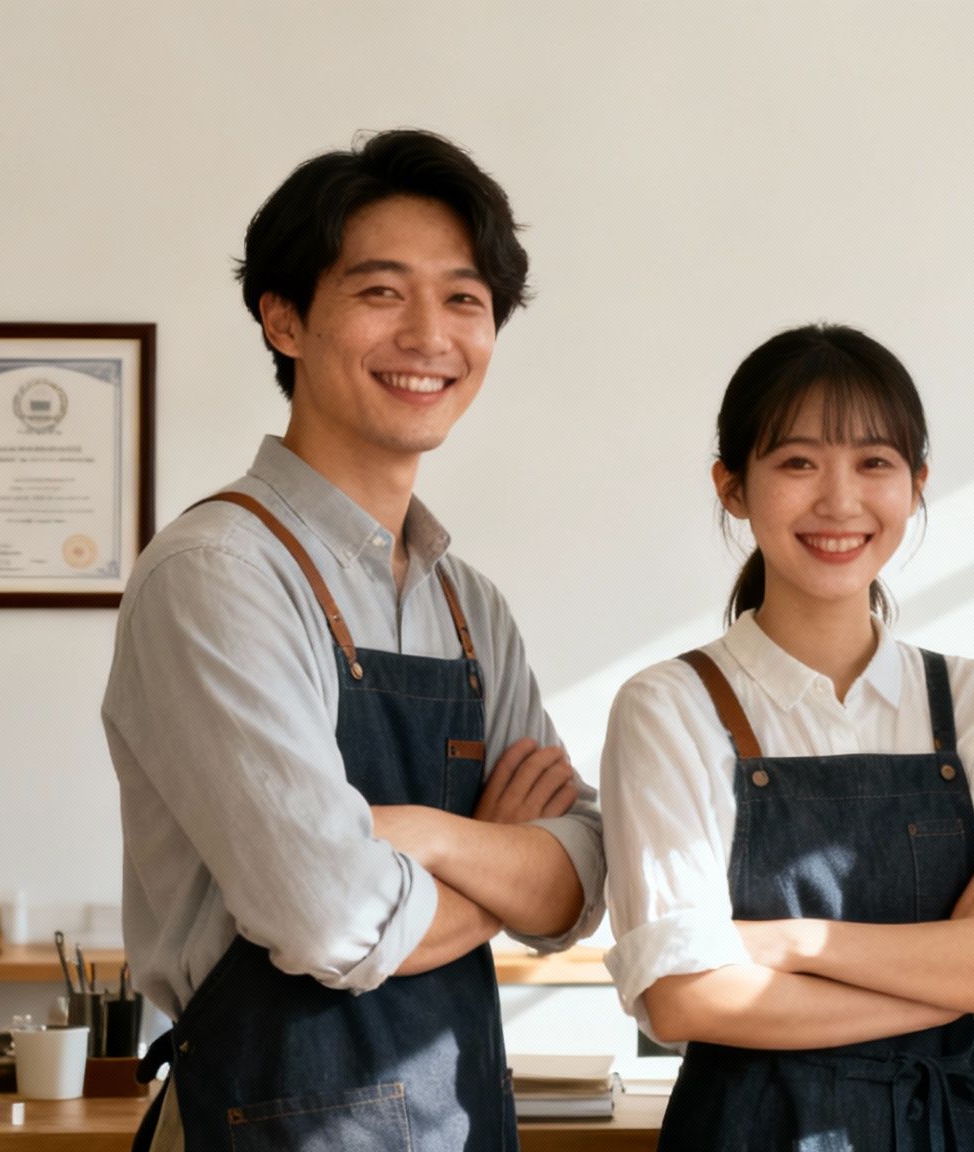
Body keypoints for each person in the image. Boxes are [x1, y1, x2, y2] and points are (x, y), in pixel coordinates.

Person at [103, 129, 605, 1151]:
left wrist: (413, 833)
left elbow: (582, 880)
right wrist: (496, 872)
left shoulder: (471, 606)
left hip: (454, 1122)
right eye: (381, 292)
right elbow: (328, 914)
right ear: (283, 319)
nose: (430, 334)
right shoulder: (217, 574)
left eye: (463, 299)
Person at [600, 324, 974, 1151]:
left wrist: (786, 943)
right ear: (732, 487)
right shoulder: (669, 708)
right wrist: (954, 975)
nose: (839, 501)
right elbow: (688, 999)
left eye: (874, 463)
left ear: (916, 483)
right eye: (796, 463)